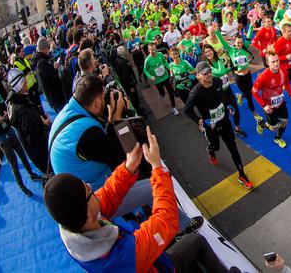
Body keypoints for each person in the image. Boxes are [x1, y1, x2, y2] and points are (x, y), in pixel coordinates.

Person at [44, 127, 221, 272]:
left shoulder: (77, 226)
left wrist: (128, 167)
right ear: (88, 215)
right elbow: (166, 220)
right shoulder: (122, 258)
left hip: (154, 262)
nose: (92, 188)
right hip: (159, 266)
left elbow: (107, 195)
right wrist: (157, 168)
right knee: (197, 242)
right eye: (88, 191)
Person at [184, 61, 252, 189]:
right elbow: (187, 111)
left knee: (233, 148)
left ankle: (242, 175)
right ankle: (211, 151)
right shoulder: (195, 93)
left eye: (209, 71)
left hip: (225, 122)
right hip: (211, 127)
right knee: (216, 147)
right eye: (204, 73)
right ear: (198, 76)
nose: (208, 74)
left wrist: (228, 107)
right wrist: (200, 121)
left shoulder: (218, 81)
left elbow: (222, 97)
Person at [0, 83, 41, 195]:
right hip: (2, 138)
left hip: (10, 131)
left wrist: (6, 114)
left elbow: (6, 108)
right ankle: (22, 186)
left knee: (23, 155)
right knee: (13, 163)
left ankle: (31, 173)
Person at [252, 49, 291, 148]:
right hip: (269, 106)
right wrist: (264, 106)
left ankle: (278, 138)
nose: (276, 63)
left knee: (285, 122)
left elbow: (286, 83)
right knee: (274, 127)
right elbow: (254, 92)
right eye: (273, 61)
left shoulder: (283, 71)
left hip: (281, 102)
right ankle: (262, 124)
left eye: (277, 60)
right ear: (268, 63)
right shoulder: (262, 77)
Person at [7, 68, 50, 174]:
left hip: (40, 156)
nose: (27, 82)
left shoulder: (16, 103)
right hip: (45, 157)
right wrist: (47, 127)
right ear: (20, 85)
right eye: (24, 81)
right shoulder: (23, 111)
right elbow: (35, 140)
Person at [33, 36, 67, 113]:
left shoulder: (42, 60)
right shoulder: (42, 62)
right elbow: (50, 80)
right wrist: (55, 69)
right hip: (55, 96)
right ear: (44, 48)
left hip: (53, 96)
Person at [144, 42, 178, 116]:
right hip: (157, 80)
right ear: (148, 50)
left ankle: (174, 107)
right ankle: (161, 94)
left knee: (170, 91)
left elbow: (164, 62)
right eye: (151, 50)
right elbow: (145, 70)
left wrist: (169, 69)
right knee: (162, 93)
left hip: (165, 76)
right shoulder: (147, 60)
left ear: (156, 48)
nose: (153, 51)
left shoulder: (160, 54)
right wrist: (150, 76)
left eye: (154, 49)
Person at [114, 45, 142, 114]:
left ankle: (139, 109)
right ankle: (139, 111)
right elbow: (126, 76)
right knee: (134, 98)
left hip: (127, 84)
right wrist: (131, 86)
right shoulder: (122, 62)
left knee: (134, 98)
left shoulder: (118, 60)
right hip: (129, 85)